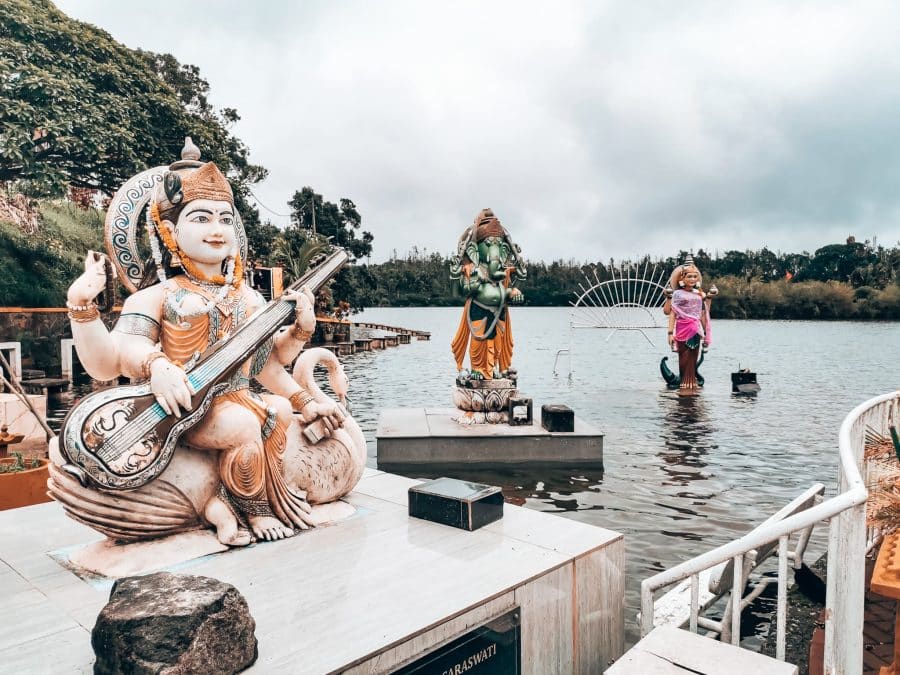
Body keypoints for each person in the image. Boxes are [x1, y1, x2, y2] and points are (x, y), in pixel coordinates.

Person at [65, 148, 344, 546]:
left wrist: (301, 338)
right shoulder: (158, 296)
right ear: (168, 231)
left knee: (278, 409)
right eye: (201, 218)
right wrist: (85, 310)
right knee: (243, 424)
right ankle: (253, 509)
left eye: (225, 219)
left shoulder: (249, 299)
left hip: (240, 397)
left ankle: (225, 501)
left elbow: (266, 365)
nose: (216, 229)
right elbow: (110, 360)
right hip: (187, 408)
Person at [450, 209, 526, 380]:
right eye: (489, 244)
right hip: (479, 310)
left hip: (499, 312)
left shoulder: (502, 271)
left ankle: (493, 369)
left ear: (504, 249)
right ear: (475, 250)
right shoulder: (473, 269)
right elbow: (457, 293)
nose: (494, 249)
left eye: (498, 245)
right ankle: (477, 368)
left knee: (497, 344)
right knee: (479, 343)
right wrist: (461, 279)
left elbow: (509, 288)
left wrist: (514, 291)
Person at [662, 258, 712, 392]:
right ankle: (684, 380)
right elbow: (672, 313)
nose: (693, 279)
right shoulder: (678, 294)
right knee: (683, 355)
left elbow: (703, 313)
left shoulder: (699, 294)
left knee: (693, 355)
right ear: (682, 277)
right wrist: (670, 333)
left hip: (695, 328)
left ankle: (691, 380)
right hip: (682, 328)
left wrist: (706, 332)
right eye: (689, 276)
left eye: (695, 276)